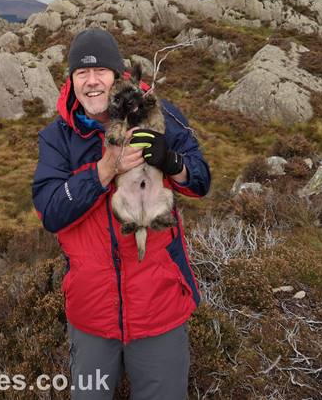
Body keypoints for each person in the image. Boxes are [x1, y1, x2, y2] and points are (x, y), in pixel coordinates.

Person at [32, 28, 211, 399]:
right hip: (91, 314)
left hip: (158, 306)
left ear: (117, 76)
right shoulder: (57, 137)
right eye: (82, 73)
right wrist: (103, 171)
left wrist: (173, 163)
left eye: (101, 71)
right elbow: (50, 211)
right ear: (71, 80)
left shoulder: (156, 110)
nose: (92, 81)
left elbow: (201, 180)